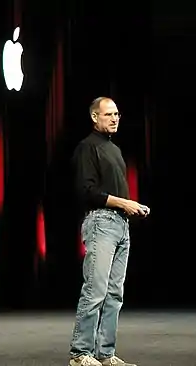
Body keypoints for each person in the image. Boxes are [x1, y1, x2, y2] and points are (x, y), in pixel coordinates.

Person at [69, 97, 150, 366]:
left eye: (117, 114)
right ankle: (81, 353)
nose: (115, 118)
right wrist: (125, 202)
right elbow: (87, 192)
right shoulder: (87, 147)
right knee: (95, 289)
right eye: (108, 114)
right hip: (101, 222)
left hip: (120, 225)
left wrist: (131, 207)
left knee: (115, 293)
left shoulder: (113, 149)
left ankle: (105, 353)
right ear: (95, 117)